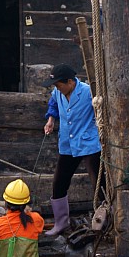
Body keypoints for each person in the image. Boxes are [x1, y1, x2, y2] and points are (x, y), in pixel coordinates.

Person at [43, 64, 102, 237]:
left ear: (70, 82)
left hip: (89, 143)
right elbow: (53, 104)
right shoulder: (58, 93)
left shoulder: (88, 91)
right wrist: (51, 120)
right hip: (68, 143)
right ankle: (61, 223)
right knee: (59, 182)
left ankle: (104, 219)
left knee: (99, 183)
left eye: (58, 84)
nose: (56, 88)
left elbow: (101, 108)